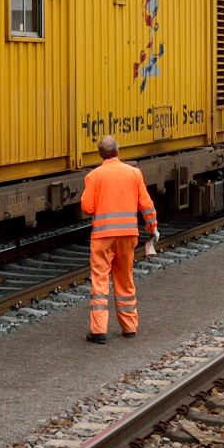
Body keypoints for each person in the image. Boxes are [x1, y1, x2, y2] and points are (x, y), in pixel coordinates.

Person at [80, 135, 158, 344]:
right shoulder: (134, 173)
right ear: (118, 151)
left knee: (100, 280)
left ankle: (99, 331)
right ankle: (129, 327)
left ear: (100, 154)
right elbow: (146, 205)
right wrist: (152, 228)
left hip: (103, 236)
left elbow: (87, 207)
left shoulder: (94, 176)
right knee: (125, 279)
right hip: (127, 235)